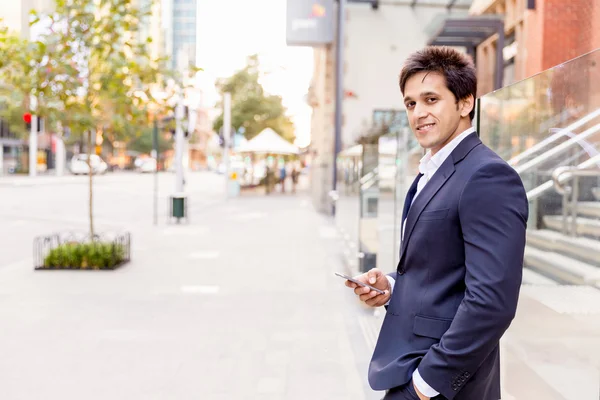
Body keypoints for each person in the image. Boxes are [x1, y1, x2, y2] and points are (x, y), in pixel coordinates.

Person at [344, 46, 528, 400]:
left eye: (431, 99)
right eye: (411, 103)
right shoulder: (431, 171)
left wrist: (424, 385)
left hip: (443, 382)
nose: (418, 113)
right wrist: (391, 287)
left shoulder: (487, 175)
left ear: (465, 103)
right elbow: (439, 272)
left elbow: (491, 302)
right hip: (407, 363)